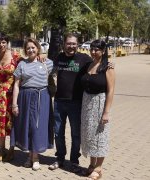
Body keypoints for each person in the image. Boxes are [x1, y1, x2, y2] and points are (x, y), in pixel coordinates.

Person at [49, 34, 93, 172]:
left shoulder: (84, 59)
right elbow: (48, 68)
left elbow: (98, 66)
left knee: (75, 134)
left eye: (74, 43)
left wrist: (108, 63)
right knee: (58, 132)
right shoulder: (58, 57)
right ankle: (60, 158)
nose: (71, 46)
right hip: (59, 102)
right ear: (64, 44)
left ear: (77, 44)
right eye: (69, 43)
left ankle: (74, 160)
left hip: (76, 103)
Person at [11, 38, 54, 171]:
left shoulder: (47, 63)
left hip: (42, 97)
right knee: (28, 127)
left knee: (38, 127)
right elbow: (16, 84)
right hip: (25, 97)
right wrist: (14, 104)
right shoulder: (22, 64)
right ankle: (30, 156)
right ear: (25, 50)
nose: (30, 50)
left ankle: (35, 157)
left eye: (33, 47)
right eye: (28, 48)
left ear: (38, 48)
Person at [80, 40, 115, 180]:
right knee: (90, 134)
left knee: (100, 136)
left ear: (103, 51)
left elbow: (111, 90)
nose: (94, 52)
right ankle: (92, 164)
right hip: (87, 103)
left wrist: (106, 111)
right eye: (92, 49)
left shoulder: (108, 67)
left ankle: (99, 168)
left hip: (100, 103)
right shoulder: (88, 65)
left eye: (97, 49)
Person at [0, 32, 18, 162]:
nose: (1, 45)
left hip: (12, 94)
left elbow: (30, 60)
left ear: (7, 43)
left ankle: (12, 150)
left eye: (3, 42)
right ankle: (2, 149)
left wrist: (41, 57)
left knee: (11, 123)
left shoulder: (15, 55)